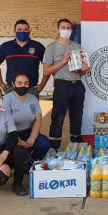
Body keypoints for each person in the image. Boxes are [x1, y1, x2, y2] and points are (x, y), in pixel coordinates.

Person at [43, 18, 90, 150]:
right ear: (58, 30)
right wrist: (63, 61)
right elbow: (46, 70)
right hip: (61, 86)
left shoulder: (77, 47)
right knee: (58, 117)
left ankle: (76, 147)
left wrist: (84, 70)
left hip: (77, 85)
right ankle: (53, 148)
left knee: (77, 116)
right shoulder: (51, 48)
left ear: (71, 30)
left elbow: (81, 72)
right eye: (63, 28)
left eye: (68, 28)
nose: (66, 30)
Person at [2, 72, 51, 161]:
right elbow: (6, 124)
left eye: (26, 83)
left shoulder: (33, 99)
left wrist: (32, 138)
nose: (23, 86)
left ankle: (32, 161)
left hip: (27, 132)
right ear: (13, 84)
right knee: (19, 150)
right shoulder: (6, 100)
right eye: (19, 83)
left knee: (44, 144)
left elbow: (38, 120)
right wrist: (19, 141)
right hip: (10, 134)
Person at [0, 19, 48, 97]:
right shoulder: (6, 46)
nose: (22, 32)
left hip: (31, 89)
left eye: (25, 30)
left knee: (30, 109)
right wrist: (0, 83)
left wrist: (42, 85)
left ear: (30, 31)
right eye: (19, 30)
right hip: (11, 89)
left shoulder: (38, 46)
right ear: (14, 31)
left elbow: (48, 67)